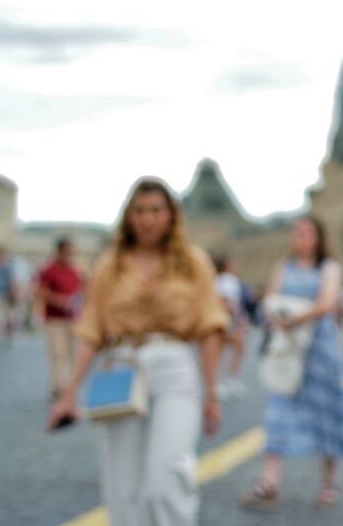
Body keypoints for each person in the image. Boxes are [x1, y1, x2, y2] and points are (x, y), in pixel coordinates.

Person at [46, 178, 227, 526]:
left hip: (175, 363)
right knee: (122, 483)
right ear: (128, 216)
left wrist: (213, 393)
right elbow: (91, 331)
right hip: (120, 364)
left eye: (156, 211)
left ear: (172, 215)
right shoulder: (110, 265)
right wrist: (69, 394)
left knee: (168, 475)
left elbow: (209, 327)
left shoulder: (193, 262)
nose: (148, 220)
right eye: (140, 211)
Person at [241, 215, 343, 509]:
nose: (301, 237)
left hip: (319, 350)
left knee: (326, 413)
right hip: (289, 351)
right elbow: (270, 299)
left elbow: (328, 302)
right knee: (278, 411)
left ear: (318, 237)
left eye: (307, 232)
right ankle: (270, 481)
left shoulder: (328, 268)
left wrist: (294, 318)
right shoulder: (284, 267)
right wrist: (277, 318)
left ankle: (329, 480)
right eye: (297, 232)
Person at [36, 237, 84, 400]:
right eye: (67, 251)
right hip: (55, 318)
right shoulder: (48, 270)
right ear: (60, 251)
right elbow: (40, 292)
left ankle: (66, 386)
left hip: (72, 318)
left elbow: (81, 290)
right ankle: (59, 388)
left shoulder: (73, 270)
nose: (70, 255)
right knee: (58, 353)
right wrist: (59, 300)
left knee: (71, 354)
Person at [212, 253, 248, 400]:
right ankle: (228, 381)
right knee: (238, 348)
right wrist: (236, 317)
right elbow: (226, 300)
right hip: (229, 319)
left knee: (225, 349)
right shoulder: (228, 280)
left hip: (224, 319)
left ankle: (224, 381)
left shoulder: (219, 279)